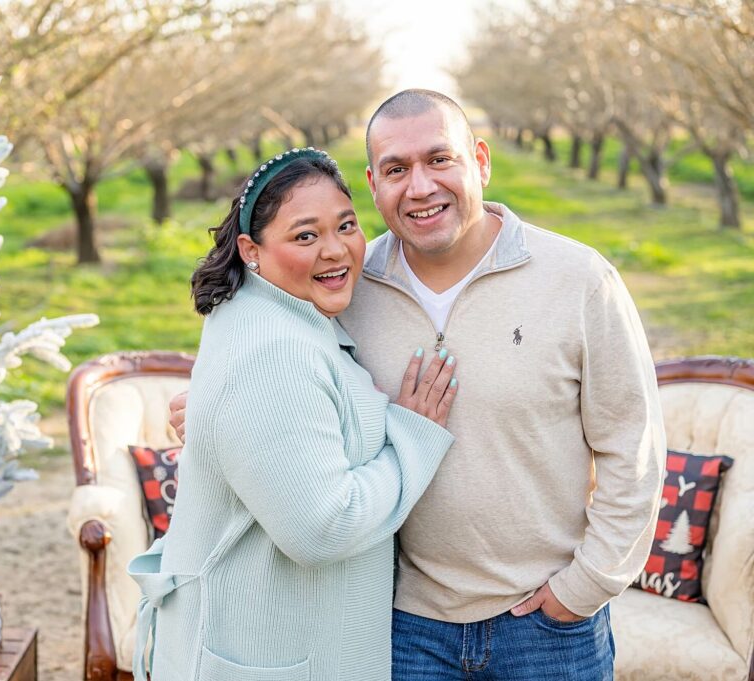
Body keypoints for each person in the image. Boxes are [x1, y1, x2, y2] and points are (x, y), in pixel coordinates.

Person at [171, 91, 666, 681]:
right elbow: (273, 364)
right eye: (396, 170)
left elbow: (632, 449)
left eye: (440, 159)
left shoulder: (580, 280)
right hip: (401, 628)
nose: (420, 186)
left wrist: (583, 588)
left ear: (479, 161)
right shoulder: (345, 287)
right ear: (374, 185)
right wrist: (208, 405)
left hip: (546, 628)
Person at [129, 148, 458, 681]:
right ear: (250, 250)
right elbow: (321, 530)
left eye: (346, 225)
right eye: (305, 236)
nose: (336, 251)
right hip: (264, 656)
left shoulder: (276, 312)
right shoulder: (273, 350)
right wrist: (413, 437)